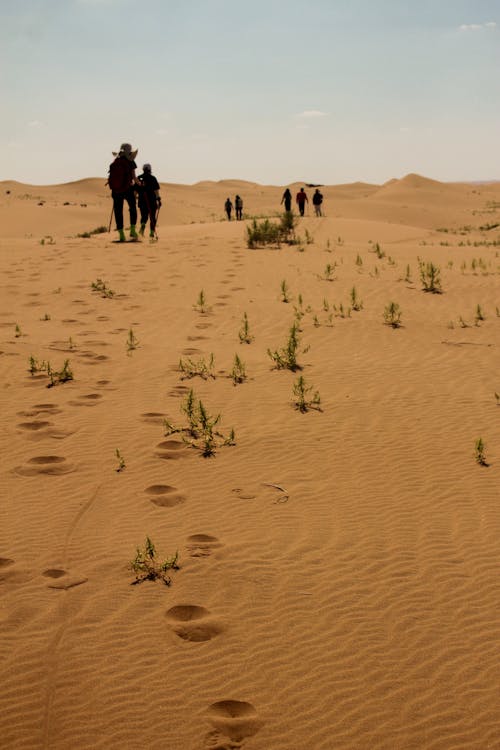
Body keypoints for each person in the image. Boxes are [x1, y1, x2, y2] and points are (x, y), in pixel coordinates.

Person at [108, 143, 139, 242]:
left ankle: (121, 235)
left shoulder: (116, 161)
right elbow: (134, 177)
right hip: (128, 189)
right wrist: (139, 184)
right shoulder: (130, 161)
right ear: (128, 151)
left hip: (116, 190)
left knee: (118, 211)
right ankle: (132, 231)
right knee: (133, 208)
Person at [137, 163, 161, 238]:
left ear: (143, 169)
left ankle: (143, 226)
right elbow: (156, 190)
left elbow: (135, 191)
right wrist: (159, 199)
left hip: (142, 201)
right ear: (150, 169)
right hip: (152, 201)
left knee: (144, 216)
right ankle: (151, 232)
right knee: (152, 217)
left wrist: (135, 198)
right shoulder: (153, 178)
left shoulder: (139, 178)